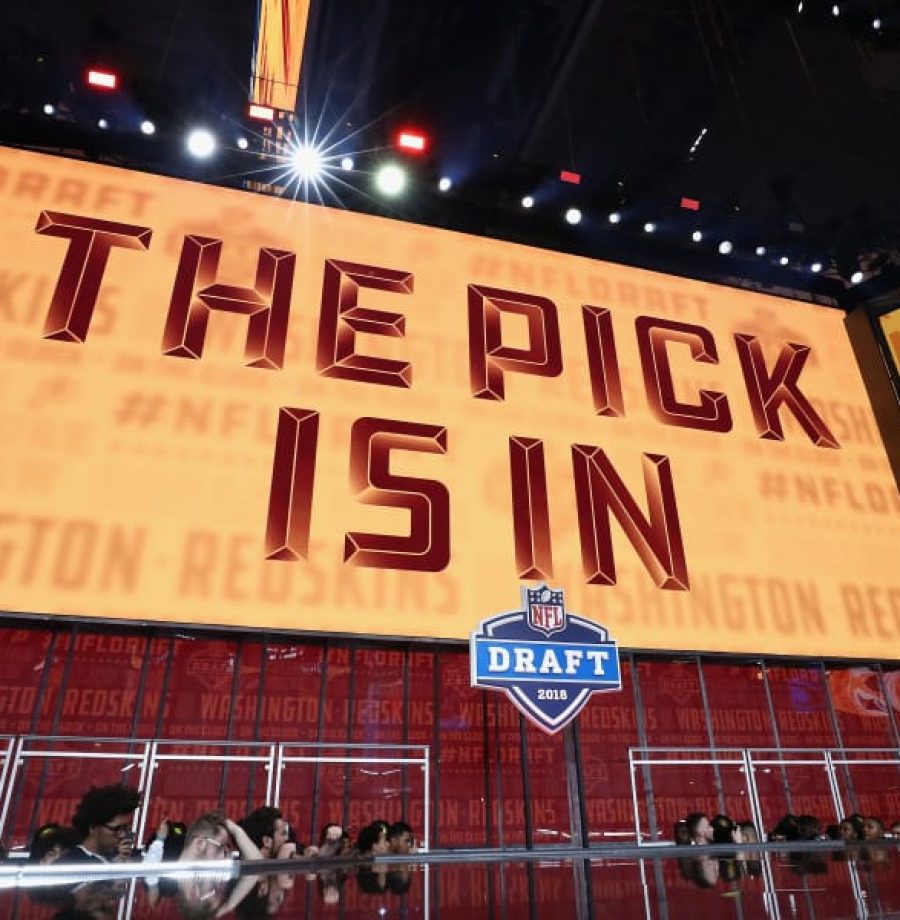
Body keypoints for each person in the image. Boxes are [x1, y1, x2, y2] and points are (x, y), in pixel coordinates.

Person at [59, 783, 141, 864]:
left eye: (125, 828)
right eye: (116, 829)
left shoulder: (114, 859)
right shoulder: (71, 863)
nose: (122, 835)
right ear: (93, 827)